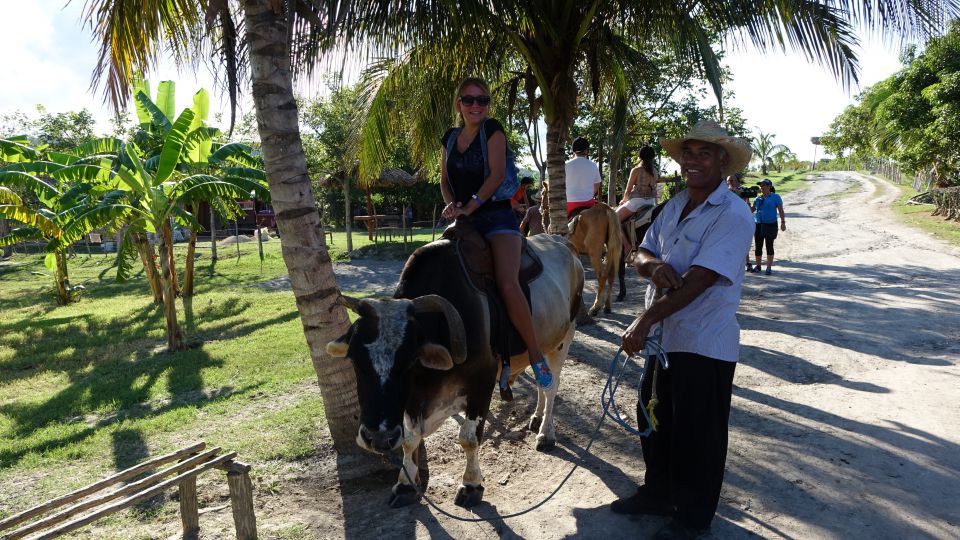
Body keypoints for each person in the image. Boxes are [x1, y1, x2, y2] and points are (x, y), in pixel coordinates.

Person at [610, 120, 754, 540]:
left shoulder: (733, 213)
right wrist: (651, 266)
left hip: (703, 340)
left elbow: (701, 279)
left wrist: (645, 319)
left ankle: (693, 518)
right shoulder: (674, 205)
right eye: (688, 153)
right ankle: (658, 493)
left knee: (698, 433)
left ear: (723, 163)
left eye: (704, 153)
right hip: (663, 340)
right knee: (654, 419)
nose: (693, 160)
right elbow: (641, 251)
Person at [440, 77, 553, 389]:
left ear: (488, 104)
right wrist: (452, 205)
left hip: (495, 216)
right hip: (465, 217)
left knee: (506, 281)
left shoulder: (493, 130)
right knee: (437, 270)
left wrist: (469, 207)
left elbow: (497, 175)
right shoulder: (450, 138)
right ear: (459, 104)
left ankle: (533, 353)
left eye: (482, 100)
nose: (476, 105)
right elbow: (444, 181)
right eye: (469, 99)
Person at [616, 145, 660, 252]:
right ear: (653, 157)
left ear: (640, 157)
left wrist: (624, 200)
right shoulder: (655, 171)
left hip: (637, 202)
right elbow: (654, 189)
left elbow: (628, 190)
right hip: (651, 202)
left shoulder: (636, 170)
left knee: (614, 218)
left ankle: (627, 246)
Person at [750, 179, 786, 275]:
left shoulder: (775, 197)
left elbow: (781, 210)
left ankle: (769, 268)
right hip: (758, 224)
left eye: (764, 185)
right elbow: (751, 210)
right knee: (758, 246)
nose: (761, 187)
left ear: (769, 186)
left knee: (769, 245)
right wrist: (746, 204)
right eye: (760, 186)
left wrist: (783, 222)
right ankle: (758, 266)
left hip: (771, 224)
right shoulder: (758, 199)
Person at [564, 137, 602, 218]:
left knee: (554, 227)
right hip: (588, 203)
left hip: (569, 204)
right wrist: (589, 195)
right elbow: (597, 184)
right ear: (586, 150)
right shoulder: (593, 165)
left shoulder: (566, 165)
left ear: (573, 150)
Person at [726, 174, 754, 271]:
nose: (729, 183)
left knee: (743, 242)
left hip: (741, 220)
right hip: (728, 221)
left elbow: (747, 201)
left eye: (732, 180)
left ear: (738, 181)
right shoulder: (725, 192)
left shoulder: (742, 190)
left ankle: (747, 263)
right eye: (728, 181)